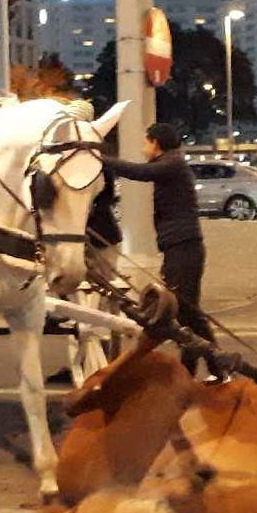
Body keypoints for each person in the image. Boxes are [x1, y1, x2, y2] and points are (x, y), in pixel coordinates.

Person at [104, 122, 218, 373]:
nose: (144, 147)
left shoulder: (172, 164)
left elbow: (139, 172)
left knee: (187, 309)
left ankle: (216, 362)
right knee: (184, 311)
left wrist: (101, 160)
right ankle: (191, 366)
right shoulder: (172, 164)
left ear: (155, 143)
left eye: (145, 141)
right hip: (179, 247)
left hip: (184, 247)